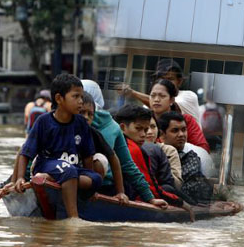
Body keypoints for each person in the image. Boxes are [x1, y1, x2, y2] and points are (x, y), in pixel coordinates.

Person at [14, 74, 102, 218]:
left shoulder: (81, 123)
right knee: (69, 172)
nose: (81, 101)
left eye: (81, 96)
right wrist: (19, 178)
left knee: (96, 179)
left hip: (72, 169)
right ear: (59, 99)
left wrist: (91, 187)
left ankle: (50, 179)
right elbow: (25, 152)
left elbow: (87, 155)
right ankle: (73, 218)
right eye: (76, 97)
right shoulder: (44, 122)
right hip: (47, 165)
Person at [83, 79, 168, 209]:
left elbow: (125, 164)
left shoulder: (112, 127)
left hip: (104, 186)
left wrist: (149, 198)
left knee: (99, 161)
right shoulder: (70, 123)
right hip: (77, 180)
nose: (85, 116)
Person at [115, 104, 195, 220]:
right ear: (123, 127)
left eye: (146, 129)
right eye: (138, 129)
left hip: (124, 192)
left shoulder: (127, 144)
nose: (144, 134)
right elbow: (150, 186)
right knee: (167, 189)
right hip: (131, 195)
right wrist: (183, 204)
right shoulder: (134, 149)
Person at [80, 93, 129, 205]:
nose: (86, 117)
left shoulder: (94, 134)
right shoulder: (60, 128)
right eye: (81, 112)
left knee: (100, 160)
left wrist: (121, 192)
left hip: (85, 177)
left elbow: (114, 159)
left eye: (90, 114)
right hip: (65, 172)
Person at [117, 59, 201, 124]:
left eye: (170, 79)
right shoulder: (149, 105)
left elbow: (169, 106)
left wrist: (132, 93)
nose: (165, 82)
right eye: (161, 79)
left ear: (179, 81)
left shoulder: (189, 96)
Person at [158, 111, 214, 205]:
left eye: (184, 130)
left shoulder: (198, 154)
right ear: (162, 135)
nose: (181, 135)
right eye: (175, 130)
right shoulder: (156, 151)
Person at [148, 78, 210, 153]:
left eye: (162, 96)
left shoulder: (186, 120)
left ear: (171, 100)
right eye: (153, 95)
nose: (156, 99)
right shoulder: (144, 121)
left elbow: (203, 149)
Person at [145, 116, 183, 191]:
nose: (149, 132)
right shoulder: (129, 150)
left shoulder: (168, 150)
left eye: (153, 126)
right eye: (145, 128)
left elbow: (177, 184)